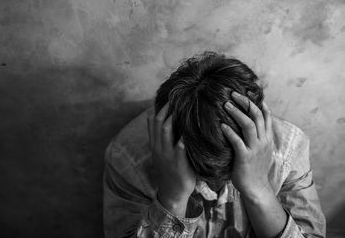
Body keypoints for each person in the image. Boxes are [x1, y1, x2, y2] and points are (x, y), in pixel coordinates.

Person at [103, 51, 326, 238]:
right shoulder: (129, 157)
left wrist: (259, 189)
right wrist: (172, 198)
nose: (214, 187)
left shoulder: (288, 149)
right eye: (204, 179)